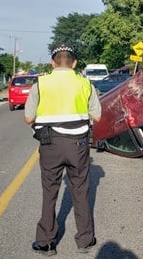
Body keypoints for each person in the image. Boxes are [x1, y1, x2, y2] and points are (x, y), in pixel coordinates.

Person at [24, 44, 102, 256]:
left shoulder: (40, 83)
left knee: (49, 192)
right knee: (81, 190)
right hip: (78, 145)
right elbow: (97, 116)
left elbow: (28, 118)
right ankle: (85, 241)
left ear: (52, 62)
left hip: (50, 145)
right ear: (74, 63)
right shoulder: (85, 83)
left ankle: (46, 243)